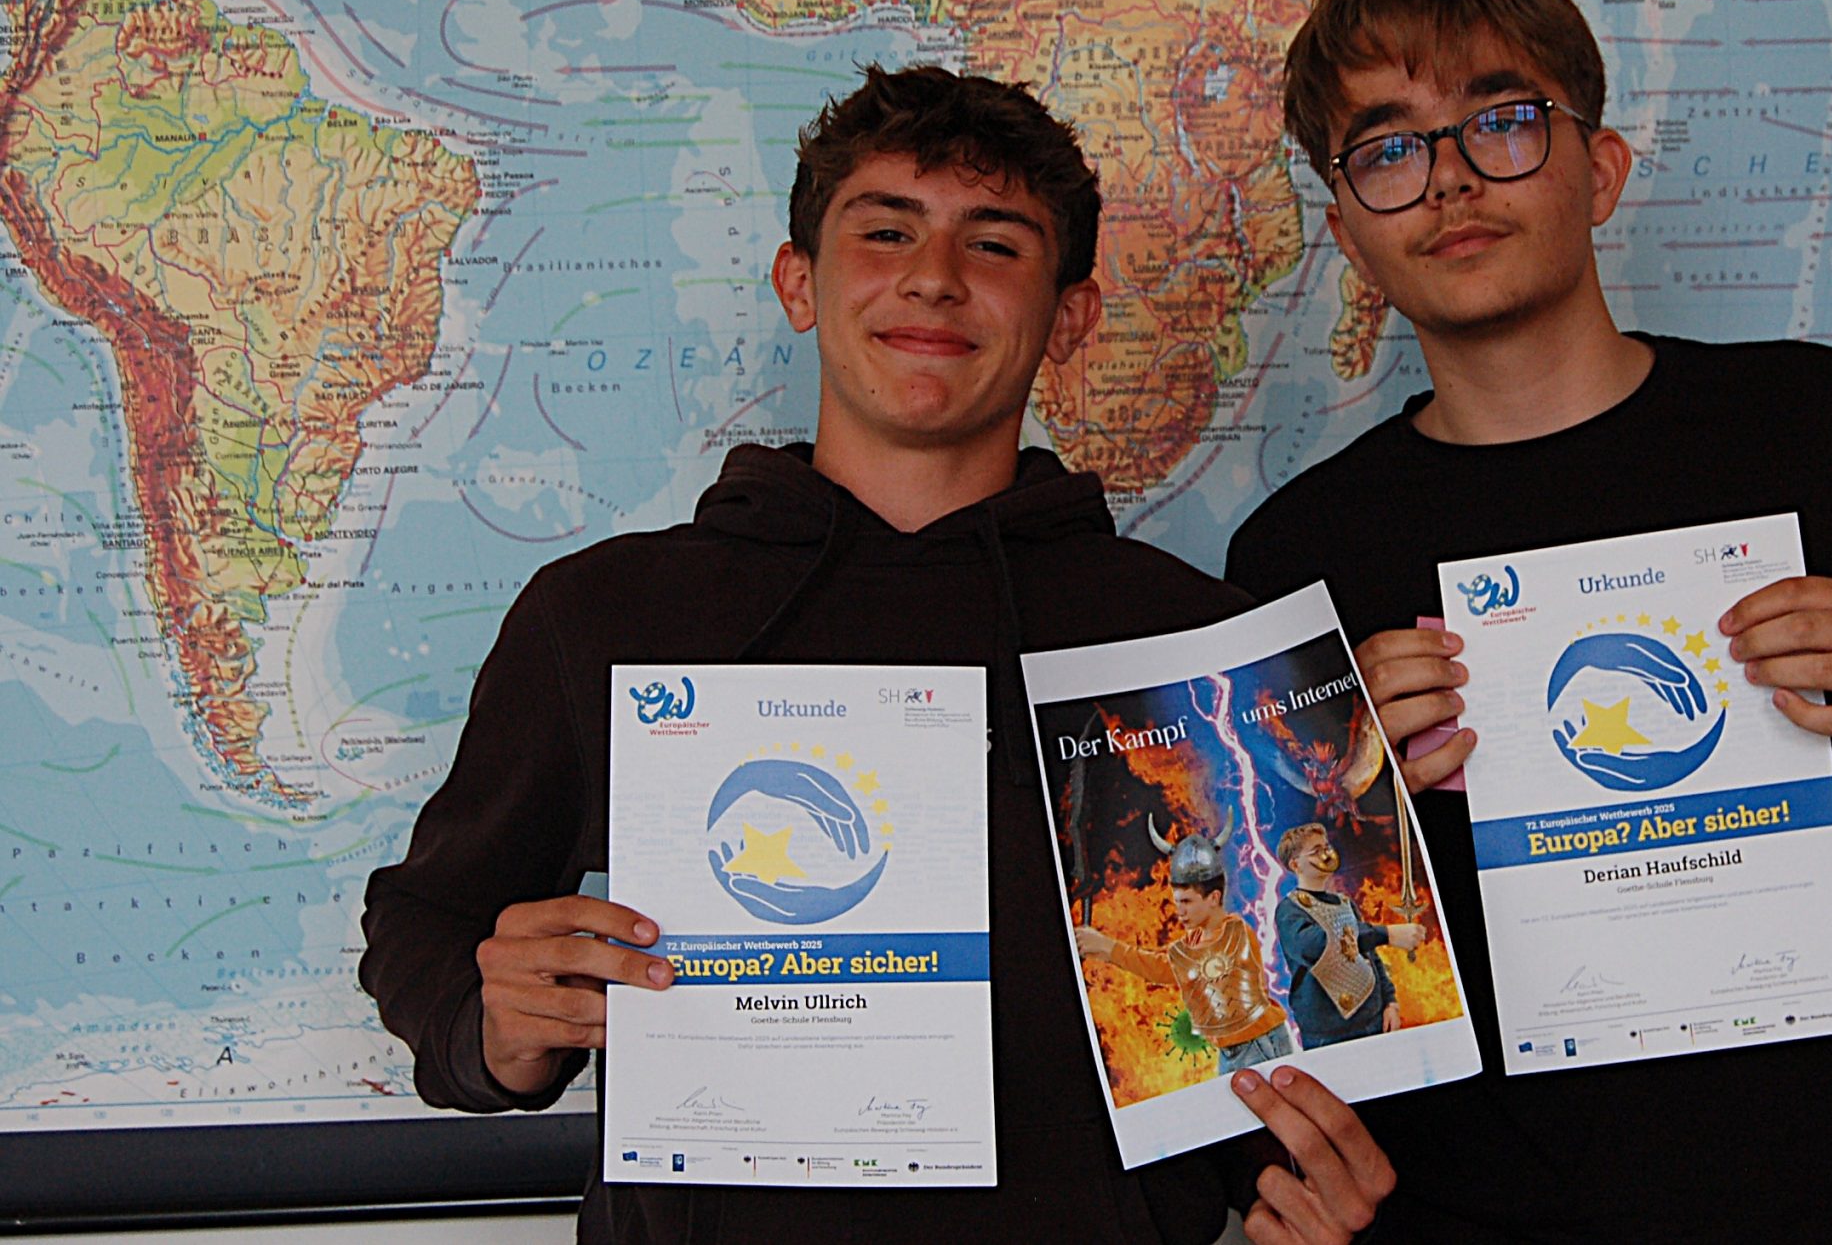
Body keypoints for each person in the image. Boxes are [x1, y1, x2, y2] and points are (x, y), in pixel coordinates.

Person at [362, 66, 1394, 1245]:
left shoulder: (1195, 646)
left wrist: (1298, 1187)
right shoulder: (607, 614)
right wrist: (492, 1027)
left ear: (1070, 316)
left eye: (994, 243)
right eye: (886, 230)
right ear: (798, 282)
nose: (934, 276)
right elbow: (424, 922)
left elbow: (1266, 1005)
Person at [1224, 0, 1832, 1242]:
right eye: (1388, 148)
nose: (1449, 177)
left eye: (1501, 121)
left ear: (1602, 168)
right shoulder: (1295, 554)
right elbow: (1300, 963)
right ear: (1349, 232)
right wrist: (1347, 806)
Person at [1075, 820, 1295, 1073]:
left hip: (1260, 1044)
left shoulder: (1234, 933)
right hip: (1231, 1049)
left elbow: (1168, 966)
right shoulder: (1196, 940)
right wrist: (1103, 950)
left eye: (1187, 902)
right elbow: (1165, 958)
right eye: (1177, 902)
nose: (1179, 911)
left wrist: (1108, 947)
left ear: (1213, 898)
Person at [1273, 823, 1421, 1049]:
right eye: (1316, 851)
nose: (1326, 854)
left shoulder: (1344, 903)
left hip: (1374, 1020)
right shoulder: (1289, 911)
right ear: (1295, 864)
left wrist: (1390, 1002)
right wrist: (1386, 934)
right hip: (1329, 1035)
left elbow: (1370, 957)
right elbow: (1318, 946)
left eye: (1326, 847)